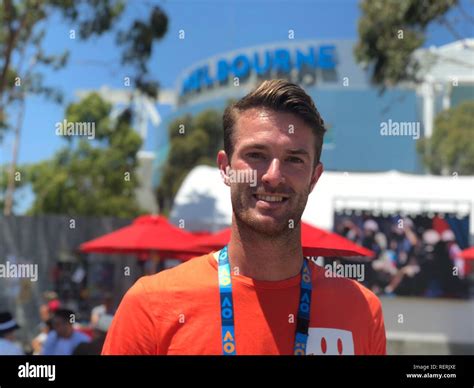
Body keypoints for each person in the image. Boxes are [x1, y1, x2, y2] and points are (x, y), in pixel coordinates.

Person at [102, 79, 386, 355]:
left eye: (294, 159)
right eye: (256, 154)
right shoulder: (151, 304)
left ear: (314, 177)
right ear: (225, 168)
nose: (273, 175)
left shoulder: (361, 310)